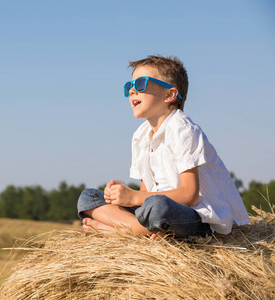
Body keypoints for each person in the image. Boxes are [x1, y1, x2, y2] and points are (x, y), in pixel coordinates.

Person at [77, 55, 250, 239]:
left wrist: (133, 197)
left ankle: (120, 230)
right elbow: (145, 192)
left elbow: (190, 195)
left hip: (197, 217)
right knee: (88, 198)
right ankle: (137, 229)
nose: (133, 91)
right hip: (155, 211)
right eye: (129, 86)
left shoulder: (183, 129)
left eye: (141, 84)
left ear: (169, 94)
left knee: (158, 206)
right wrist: (124, 195)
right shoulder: (140, 136)